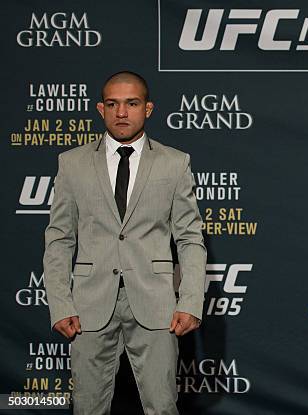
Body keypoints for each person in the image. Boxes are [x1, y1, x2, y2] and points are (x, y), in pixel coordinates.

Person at [43, 71, 207, 414]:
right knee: (87, 408)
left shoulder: (175, 163)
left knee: (162, 406)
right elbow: (59, 239)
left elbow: (190, 238)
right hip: (89, 305)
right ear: (101, 109)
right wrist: (60, 303)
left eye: (131, 104)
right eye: (114, 104)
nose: (122, 113)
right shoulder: (71, 163)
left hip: (156, 303)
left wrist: (190, 301)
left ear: (147, 109)